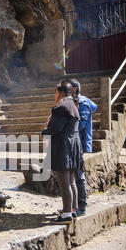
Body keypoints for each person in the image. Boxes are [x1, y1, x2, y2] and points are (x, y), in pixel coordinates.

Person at [43, 80, 83, 224]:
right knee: (71, 181)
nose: (54, 95)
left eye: (55, 92)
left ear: (60, 93)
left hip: (63, 148)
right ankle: (72, 210)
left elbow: (55, 129)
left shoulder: (61, 107)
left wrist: (44, 131)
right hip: (74, 147)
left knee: (64, 181)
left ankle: (66, 215)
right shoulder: (73, 105)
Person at [69, 79, 97, 215]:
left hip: (78, 144)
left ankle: (82, 206)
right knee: (72, 176)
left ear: (74, 89)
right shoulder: (73, 102)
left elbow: (80, 125)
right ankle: (72, 206)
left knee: (79, 176)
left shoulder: (83, 103)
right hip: (72, 143)